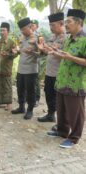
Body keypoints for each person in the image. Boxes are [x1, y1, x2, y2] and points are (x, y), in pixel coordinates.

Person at [47, 9, 86, 148]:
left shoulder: (84, 40)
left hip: (76, 84)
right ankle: (62, 131)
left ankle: (74, 137)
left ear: (79, 22)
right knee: (62, 109)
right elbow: (64, 57)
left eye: (69, 21)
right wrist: (53, 52)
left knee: (75, 112)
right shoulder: (69, 39)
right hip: (62, 81)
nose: (66, 24)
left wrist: (70, 57)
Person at [37, 12, 66, 122]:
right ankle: (50, 114)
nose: (51, 28)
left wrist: (50, 49)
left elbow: (64, 55)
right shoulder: (52, 36)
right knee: (48, 93)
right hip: (49, 71)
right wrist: (42, 48)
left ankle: (61, 121)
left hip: (60, 73)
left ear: (61, 23)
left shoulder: (67, 38)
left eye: (53, 25)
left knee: (59, 97)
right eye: (50, 25)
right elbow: (47, 51)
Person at [11, 17, 39, 120]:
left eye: (24, 29)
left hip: (31, 70)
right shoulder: (22, 38)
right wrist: (16, 51)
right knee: (20, 89)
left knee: (30, 91)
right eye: (21, 29)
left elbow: (42, 54)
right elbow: (20, 50)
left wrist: (32, 52)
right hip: (21, 69)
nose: (22, 31)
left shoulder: (37, 38)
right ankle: (21, 107)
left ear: (30, 27)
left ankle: (30, 110)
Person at [0, 22, 18, 111]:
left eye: (3, 30)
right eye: (0, 30)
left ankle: (9, 103)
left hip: (6, 68)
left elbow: (15, 55)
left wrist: (10, 54)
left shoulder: (11, 43)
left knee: (6, 85)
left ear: (8, 31)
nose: (1, 32)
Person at [31, 19, 41, 107]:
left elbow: (41, 51)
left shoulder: (39, 37)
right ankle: (30, 98)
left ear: (37, 27)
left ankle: (37, 99)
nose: (31, 26)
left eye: (33, 25)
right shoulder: (26, 36)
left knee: (36, 80)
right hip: (28, 61)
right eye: (30, 25)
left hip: (36, 60)